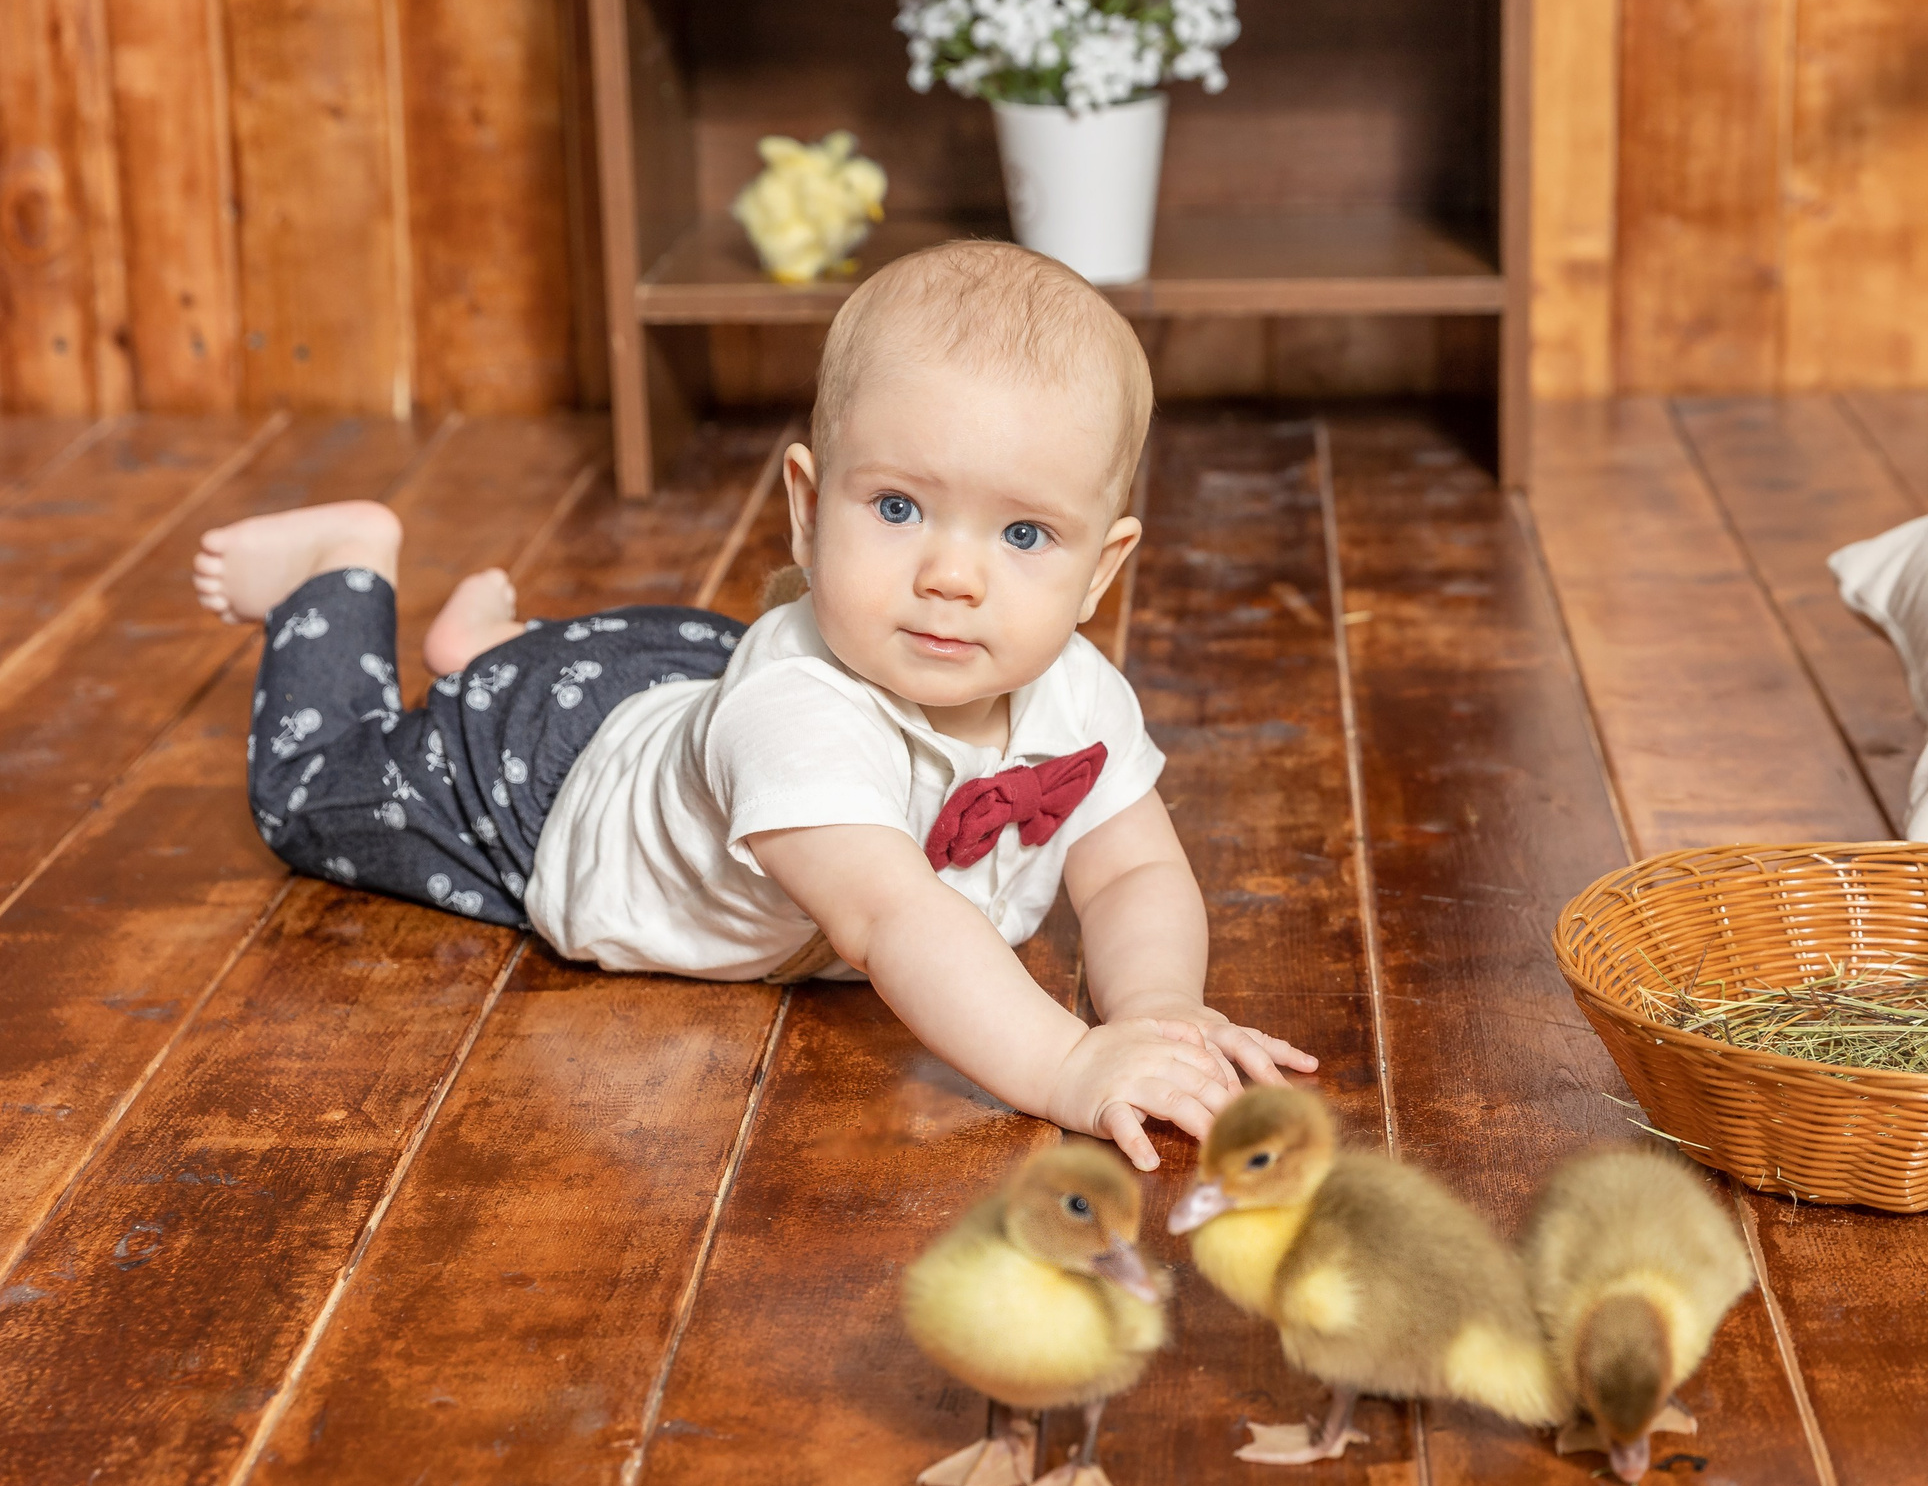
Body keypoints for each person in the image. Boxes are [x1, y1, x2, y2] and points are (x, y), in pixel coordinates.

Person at [190, 240, 1313, 1169]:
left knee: (716, 677)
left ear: (1101, 570)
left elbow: (1131, 869)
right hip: (540, 781)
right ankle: (339, 573)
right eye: (898, 508)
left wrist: (1157, 1005)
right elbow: (894, 919)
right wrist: (1070, 1062)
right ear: (808, 508)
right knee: (314, 795)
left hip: (683, 685)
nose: (951, 577)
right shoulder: (793, 711)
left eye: (1023, 534)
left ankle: (487, 645)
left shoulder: (1075, 690)